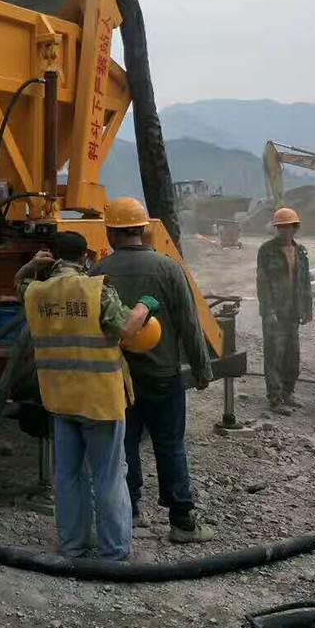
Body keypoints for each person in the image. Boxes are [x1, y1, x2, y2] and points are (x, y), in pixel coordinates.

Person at [15, 231, 159, 561]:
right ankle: (114, 551)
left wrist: (30, 266)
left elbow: (17, 284)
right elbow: (126, 329)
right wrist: (144, 305)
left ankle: (72, 546)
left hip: (59, 398)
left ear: (51, 256)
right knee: (108, 476)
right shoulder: (96, 291)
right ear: (84, 258)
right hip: (99, 401)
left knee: (67, 476)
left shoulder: (37, 292)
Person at [90, 197, 214, 544]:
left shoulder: (98, 272)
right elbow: (189, 323)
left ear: (111, 233)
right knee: (170, 444)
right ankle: (181, 522)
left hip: (118, 377)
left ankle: (130, 513)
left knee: (124, 444)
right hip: (163, 376)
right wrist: (202, 368)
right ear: (144, 230)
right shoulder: (168, 268)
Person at [257, 206, 313, 415]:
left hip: (293, 312)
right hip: (274, 312)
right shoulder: (266, 250)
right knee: (274, 355)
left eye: (288, 227)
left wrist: (307, 309)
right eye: (280, 227)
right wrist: (268, 310)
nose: (284, 231)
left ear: (295, 228)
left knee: (293, 354)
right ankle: (275, 398)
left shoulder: (300, 251)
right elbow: (262, 283)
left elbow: (305, 283)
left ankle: (288, 392)